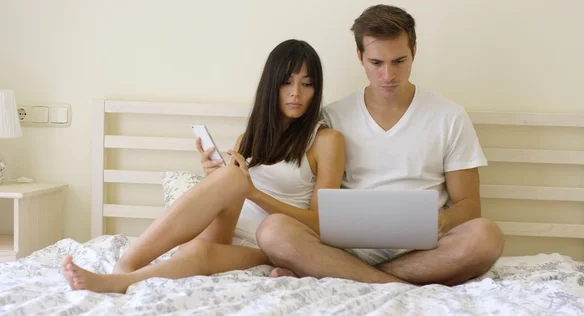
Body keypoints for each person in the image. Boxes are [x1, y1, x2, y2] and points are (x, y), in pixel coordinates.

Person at [61, 39, 345, 293]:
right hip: (229, 229)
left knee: (199, 248)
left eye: (306, 84)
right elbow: (233, 194)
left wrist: (253, 193)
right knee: (229, 179)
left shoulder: (326, 140)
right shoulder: (249, 138)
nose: (296, 93)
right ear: (271, 86)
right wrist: (215, 178)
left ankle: (119, 282)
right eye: (286, 82)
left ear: (315, 90)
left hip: (270, 243)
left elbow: (321, 224)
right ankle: (125, 265)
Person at [255, 5, 505, 286]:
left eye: (399, 61)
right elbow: (300, 188)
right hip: (342, 247)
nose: (388, 75)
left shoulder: (449, 116)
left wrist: (443, 221)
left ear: (414, 52)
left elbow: (469, 205)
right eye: (376, 63)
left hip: (423, 250)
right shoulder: (332, 117)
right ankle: (381, 279)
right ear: (360, 56)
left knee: (487, 236)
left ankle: (351, 276)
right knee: (273, 230)